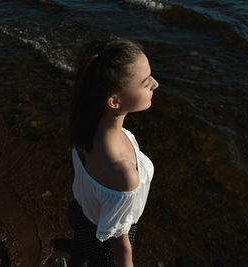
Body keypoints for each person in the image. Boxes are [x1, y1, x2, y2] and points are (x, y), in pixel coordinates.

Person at [68, 39, 159, 267]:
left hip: (80, 215)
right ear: (115, 100)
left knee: (80, 255)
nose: (155, 84)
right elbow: (120, 243)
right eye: (146, 82)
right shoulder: (123, 174)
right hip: (104, 242)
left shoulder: (84, 125)